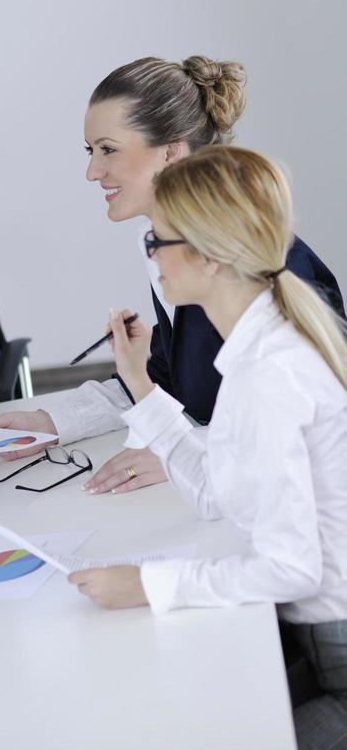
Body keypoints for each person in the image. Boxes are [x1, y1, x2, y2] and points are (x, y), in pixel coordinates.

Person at [64, 147, 347, 749]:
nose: (150, 259)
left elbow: (291, 570)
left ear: (209, 257)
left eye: (156, 243)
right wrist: (140, 382)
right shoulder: (256, 348)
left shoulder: (272, 373)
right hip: (316, 638)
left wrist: (151, 585)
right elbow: (215, 494)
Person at [0, 56, 341, 491]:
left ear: (171, 150)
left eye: (108, 149)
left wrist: (188, 452)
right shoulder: (170, 252)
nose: (92, 171)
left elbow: (316, 427)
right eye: (91, 151)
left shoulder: (261, 267)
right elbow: (169, 381)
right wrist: (50, 420)